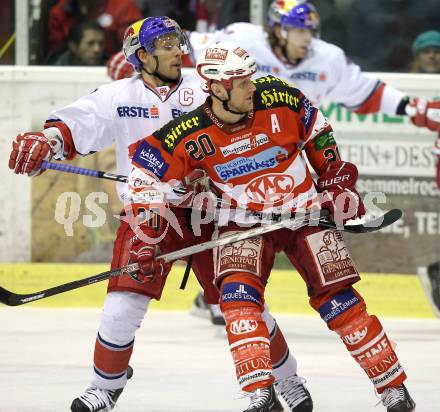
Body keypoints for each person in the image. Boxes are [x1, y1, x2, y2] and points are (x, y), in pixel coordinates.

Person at [8, 17, 312, 412]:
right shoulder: (118, 95)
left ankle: (287, 380)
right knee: (122, 306)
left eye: (177, 42)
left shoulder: (206, 91)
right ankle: (105, 385)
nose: (177, 51)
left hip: (213, 213)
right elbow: (72, 125)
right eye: (165, 45)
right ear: (141, 55)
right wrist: (45, 141)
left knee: (241, 305)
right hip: (148, 213)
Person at [126, 40, 417, 412]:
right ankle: (261, 393)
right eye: (242, 82)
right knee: (237, 299)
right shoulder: (187, 133)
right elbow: (143, 174)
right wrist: (149, 240)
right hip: (241, 221)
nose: (252, 86)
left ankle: (393, 387)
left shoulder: (280, 96)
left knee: (340, 303)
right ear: (216, 87)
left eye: (250, 78)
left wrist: (335, 180)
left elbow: (318, 132)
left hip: (304, 213)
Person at [46, 0, 142, 60]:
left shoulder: (123, 8)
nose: (96, 49)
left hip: (112, 72)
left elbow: (134, 49)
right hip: (70, 70)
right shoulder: (60, 12)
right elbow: (56, 52)